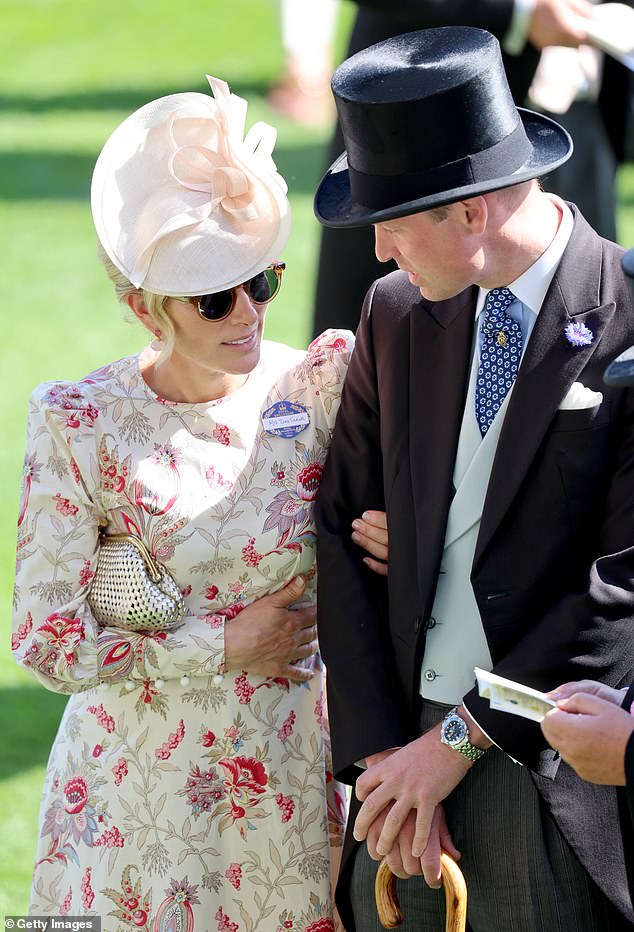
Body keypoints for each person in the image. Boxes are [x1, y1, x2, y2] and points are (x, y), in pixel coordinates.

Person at [11, 75, 387, 929]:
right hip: (130, 798)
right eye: (214, 297)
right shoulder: (80, 422)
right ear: (144, 307)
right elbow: (46, 638)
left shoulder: (321, 379)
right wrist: (220, 644)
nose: (248, 313)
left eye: (263, 282)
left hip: (285, 786)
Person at [314, 26, 634, 932]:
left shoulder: (627, 314)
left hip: (550, 782)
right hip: (399, 790)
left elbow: (621, 586)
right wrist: (387, 762)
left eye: (393, 223)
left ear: (470, 212)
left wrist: (458, 742)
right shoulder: (394, 312)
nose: (377, 252)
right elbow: (341, 528)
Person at [311, 0, 632, 338]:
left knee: (592, 316)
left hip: (577, 95)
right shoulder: (387, 294)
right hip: (414, 118)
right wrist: (517, 12)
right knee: (387, 342)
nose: (382, 250)